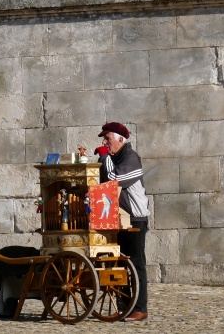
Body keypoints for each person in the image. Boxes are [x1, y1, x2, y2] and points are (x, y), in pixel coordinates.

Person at [97, 122, 149, 322]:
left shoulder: (131, 158)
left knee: (136, 264)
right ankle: (124, 307)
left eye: (107, 138)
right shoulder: (115, 158)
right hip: (117, 220)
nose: (104, 142)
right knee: (118, 264)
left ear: (120, 139)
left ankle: (139, 308)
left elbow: (112, 180)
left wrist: (103, 156)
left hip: (135, 219)